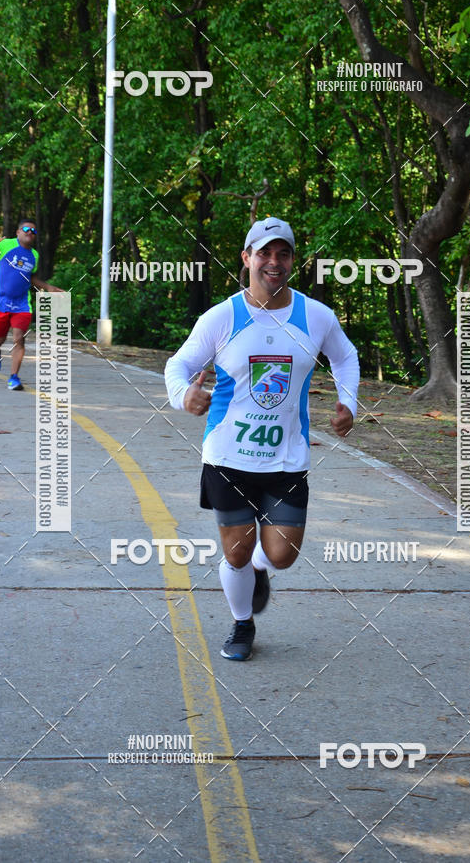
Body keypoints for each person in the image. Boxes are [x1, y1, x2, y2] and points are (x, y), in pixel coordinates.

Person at [165, 216, 360, 661]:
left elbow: (346, 356)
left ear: (292, 260)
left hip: (287, 458)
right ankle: (241, 624)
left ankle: (259, 569)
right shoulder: (222, 317)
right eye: (264, 252)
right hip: (228, 456)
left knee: (282, 554)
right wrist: (183, 396)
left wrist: (349, 402)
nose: (274, 261)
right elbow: (177, 366)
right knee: (235, 554)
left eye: (283, 253)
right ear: (247, 258)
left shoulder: (315, 316)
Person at [0, 220, 63, 390]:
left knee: (19, 340)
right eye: (26, 229)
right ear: (18, 232)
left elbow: (30, 277)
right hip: (0, 302)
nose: (30, 232)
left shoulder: (34, 256)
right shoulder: (6, 245)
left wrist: (48, 287)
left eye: (33, 231)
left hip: (22, 304)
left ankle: (14, 377)